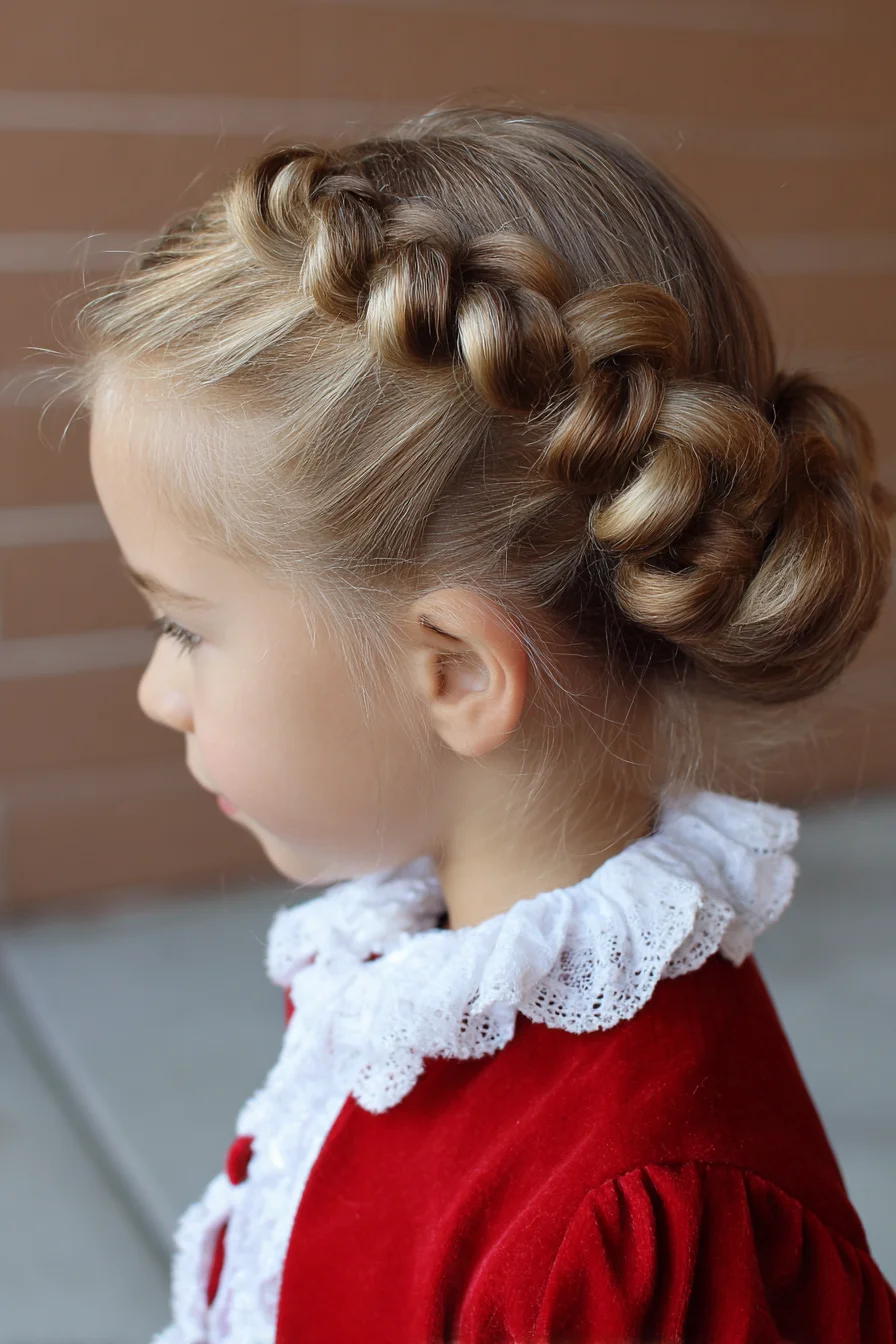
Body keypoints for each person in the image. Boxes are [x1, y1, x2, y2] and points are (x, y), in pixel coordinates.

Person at [77, 101, 895, 1342]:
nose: (158, 690)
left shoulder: (635, 1234)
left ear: (454, 674)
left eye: (187, 628)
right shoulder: (418, 990)